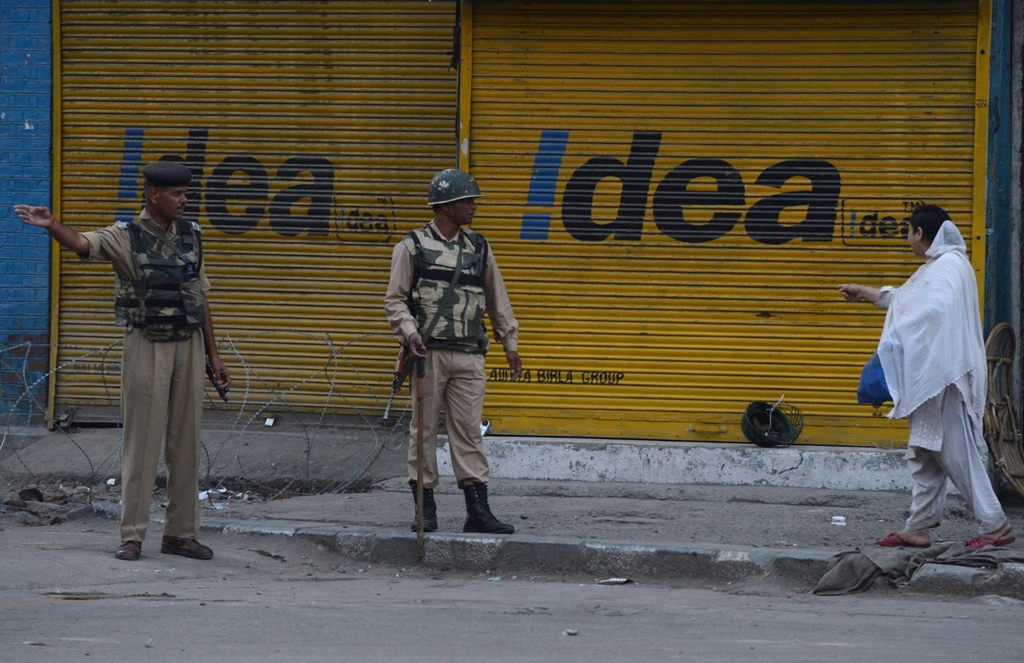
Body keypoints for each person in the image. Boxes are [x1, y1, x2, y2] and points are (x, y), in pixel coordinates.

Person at [14, 161, 231, 561]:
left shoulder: (191, 234)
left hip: (189, 345)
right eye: (177, 195)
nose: (184, 200)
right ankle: (132, 535)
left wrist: (214, 356)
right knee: (142, 442)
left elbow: (200, 297)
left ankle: (181, 534)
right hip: (147, 345)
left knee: (186, 445)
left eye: (185, 193)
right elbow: (83, 244)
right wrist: (53, 225)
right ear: (154, 196)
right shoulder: (126, 236)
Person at [838, 204, 1014, 550]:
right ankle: (918, 526)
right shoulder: (938, 266)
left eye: (909, 232)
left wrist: (898, 335)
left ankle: (995, 524)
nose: (907, 238)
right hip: (932, 378)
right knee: (924, 451)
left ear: (920, 233)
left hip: (943, 377)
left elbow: (931, 312)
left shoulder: (949, 266)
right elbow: (906, 299)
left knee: (954, 451)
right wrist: (865, 293)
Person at [384, 168, 522, 534]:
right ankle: (424, 508)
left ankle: (477, 511)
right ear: (445, 206)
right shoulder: (411, 246)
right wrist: (411, 333)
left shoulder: (479, 247)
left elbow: (497, 300)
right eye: (466, 200)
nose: (473, 206)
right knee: (423, 431)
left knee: (468, 433)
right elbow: (395, 301)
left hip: (469, 355)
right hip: (428, 356)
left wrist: (510, 344)